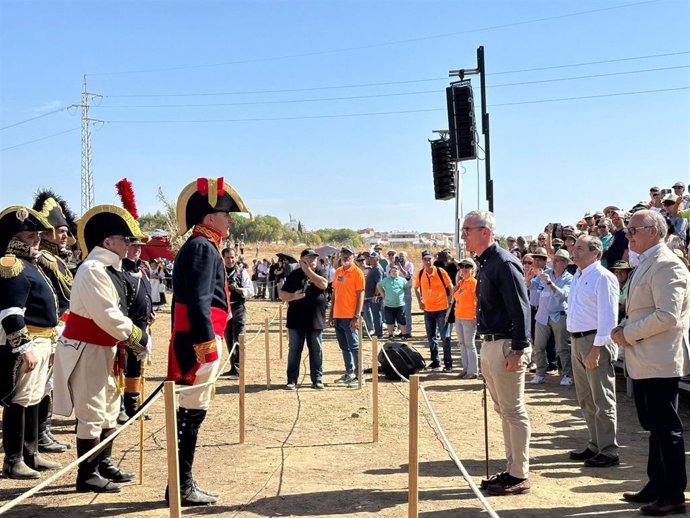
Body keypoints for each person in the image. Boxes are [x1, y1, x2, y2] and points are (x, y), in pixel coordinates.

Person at [53, 204, 150, 493]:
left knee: (110, 408)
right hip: (88, 348)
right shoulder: (93, 270)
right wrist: (137, 338)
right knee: (92, 411)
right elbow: (107, 315)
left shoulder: (111, 269)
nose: (129, 244)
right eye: (124, 239)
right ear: (108, 242)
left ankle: (103, 463)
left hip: (106, 347)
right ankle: (87, 473)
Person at [166, 177, 251, 506]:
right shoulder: (202, 247)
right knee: (191, 411)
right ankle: (181, 485)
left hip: (201, 337)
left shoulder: (204, 245)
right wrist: (206, 346)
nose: (229, 219)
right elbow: (200, 301)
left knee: (192, 410)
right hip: (198, 342)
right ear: (209, 217)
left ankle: (180, 483)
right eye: (225, 213)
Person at [611, 210, 689, 517]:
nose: (627, 236)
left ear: (653, 232)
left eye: (633, 230)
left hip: (659, 358)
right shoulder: (649, 263)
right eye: (628, 230)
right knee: (653, 426)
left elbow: (667, 316)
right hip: (645, 356)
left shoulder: (668, 265)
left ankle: (673, 494)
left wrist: (627, 333)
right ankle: (657, 484)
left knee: (665, 427)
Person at [461, 210, 532, 496]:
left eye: (468, 229)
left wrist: (518, 349)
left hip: (505, 344)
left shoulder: (503, 262)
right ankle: (512, 468)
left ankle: (519, 473)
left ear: (486, 232)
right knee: (504, 410)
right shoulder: (487, 263)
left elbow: (521, 307)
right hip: (490, 343)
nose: (464, 234)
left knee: (513, 410)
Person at [0, 206, 61, 479]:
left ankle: (31, 454)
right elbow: (11, 312)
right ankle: (13, 460)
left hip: (44, 339)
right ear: (14, 239)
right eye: (29, 236)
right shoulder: (11, 266)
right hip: (30, 341)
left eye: (37, 235)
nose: (36, 240)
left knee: (35, 398)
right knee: (21, 400)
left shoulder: (33, 265)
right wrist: (23, 347)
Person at [566, 235, 620, 468]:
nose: (574, 251)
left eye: (579, 248)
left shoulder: (603, 277)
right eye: (574, 247)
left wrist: (597, 349)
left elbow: (608, 317)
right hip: (578, 341)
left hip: (594, 341)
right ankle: (595, 444)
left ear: (595, 253)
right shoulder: (578, 276)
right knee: (586, 398)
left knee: (602, 397)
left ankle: (609, 450)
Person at [32, 191, 77, 453]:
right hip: (48, 328)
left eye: (64, 230)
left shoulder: (56, 260)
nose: (63, 235)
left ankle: (43, 430)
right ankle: (40, 433)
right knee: (42, 384)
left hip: (59, 326)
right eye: (59, 230)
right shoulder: (46, 260)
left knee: (48, 384)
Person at [280, 249, 328, 390]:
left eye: (314, 258)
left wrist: (308, 271)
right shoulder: (294, 275)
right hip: (296, 319)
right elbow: (282, 294)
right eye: (309, 258)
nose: (313, 261)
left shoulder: (320, 271)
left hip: (316, 319)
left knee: (316, 350)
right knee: (294, 349)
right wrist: (293, 296)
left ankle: (317, 379)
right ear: (301, 260)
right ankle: (292, 380)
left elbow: (324, 284)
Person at [119, 237, 155, 421]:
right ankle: (119, 408)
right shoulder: (119, 271)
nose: (137, 250)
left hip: (141, 325)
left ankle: (132, 406)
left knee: (136, 367)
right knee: (122, 367)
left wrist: (150, 311)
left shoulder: (143, 269)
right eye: (133, 246)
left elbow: (146, 295)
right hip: (125, 327)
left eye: (140, 246)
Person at [530, 249, 574, 386]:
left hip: (559, 315)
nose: (554, 262)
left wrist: (549, 283)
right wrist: (527, 279)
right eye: (554, 259)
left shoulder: (570, 278)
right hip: (542, 315)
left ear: (565, 263)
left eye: (559, 260)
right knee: (538, 346)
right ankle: (540, 374)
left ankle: (566, 374)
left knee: (562, 347)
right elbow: (533, 285)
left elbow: (563, 295)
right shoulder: (546, 273)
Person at [328, 245, 365, 388]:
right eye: (343, 253)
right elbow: (335, 294)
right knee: (344, 346)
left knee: (354, 346)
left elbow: (360, 295)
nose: (345, 256)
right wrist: (331, 314)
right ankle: (349, 372)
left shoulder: (358, 272)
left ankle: (359, 375)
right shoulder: (337, 272)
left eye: (348, 254)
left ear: (353, 256)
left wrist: (356, 316)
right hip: (338, 315)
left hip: (350, 316)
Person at [415, 250, 453, 372]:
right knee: (431, 337)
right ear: (422, 261)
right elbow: (416, 288)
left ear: (433, 259)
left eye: (429, 259)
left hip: (442, 309)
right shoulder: (420, 273)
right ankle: (436, 362)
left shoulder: (441, 272)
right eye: (425, 259)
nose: (427, 261)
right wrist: (420, 302)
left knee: (445, 337)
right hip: (428, 310)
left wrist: (450, 302)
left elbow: (450, 287)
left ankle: (448, 363)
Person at [222, 247, 254, 378]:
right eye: (228, 257)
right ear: (223, 258)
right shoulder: (219, 271)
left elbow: (251, 291)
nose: (231, 260)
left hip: (238, 308)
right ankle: (233, 367)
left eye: (233, 257)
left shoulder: (241, 272)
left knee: (239, 338)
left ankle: (239, 368)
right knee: (228, 338)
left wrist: (238, 290)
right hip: (223, 310)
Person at [452, 258, 478, 379]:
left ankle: (472, 371)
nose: (464, 269)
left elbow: (478, 301)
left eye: (467, 267)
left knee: (469, 344)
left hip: (469, 317)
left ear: (472, 269)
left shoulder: (474, 283)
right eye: (462, 267)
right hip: (459, 316)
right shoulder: (461, 282)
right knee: (462, 344)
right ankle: (466, 368)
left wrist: (475, 316)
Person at [376, 264, 408, 339]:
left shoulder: (402, 280)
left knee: (402, 320)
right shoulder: (386, 280)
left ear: (398, 272)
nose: (394, 272)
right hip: (389, 304)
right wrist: (383, 295)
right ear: (390, 272)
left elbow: (407, 287)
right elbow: (378, 285)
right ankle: (390, 335)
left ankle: (404, 335)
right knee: (390, 320)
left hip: (400, 304)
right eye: (392, 271)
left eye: (395, 271)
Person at [362, 252, 384, 339]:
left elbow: (379, 283)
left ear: (377, 259)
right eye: (370, 258)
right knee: (373, 314)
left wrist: (376, 294)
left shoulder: (378, 269)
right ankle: (376, 331)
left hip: (374, 296)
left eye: (372, 258)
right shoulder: (373, 268)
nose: (370, 259)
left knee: (376, 314)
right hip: (369, 295)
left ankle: (379, 333)